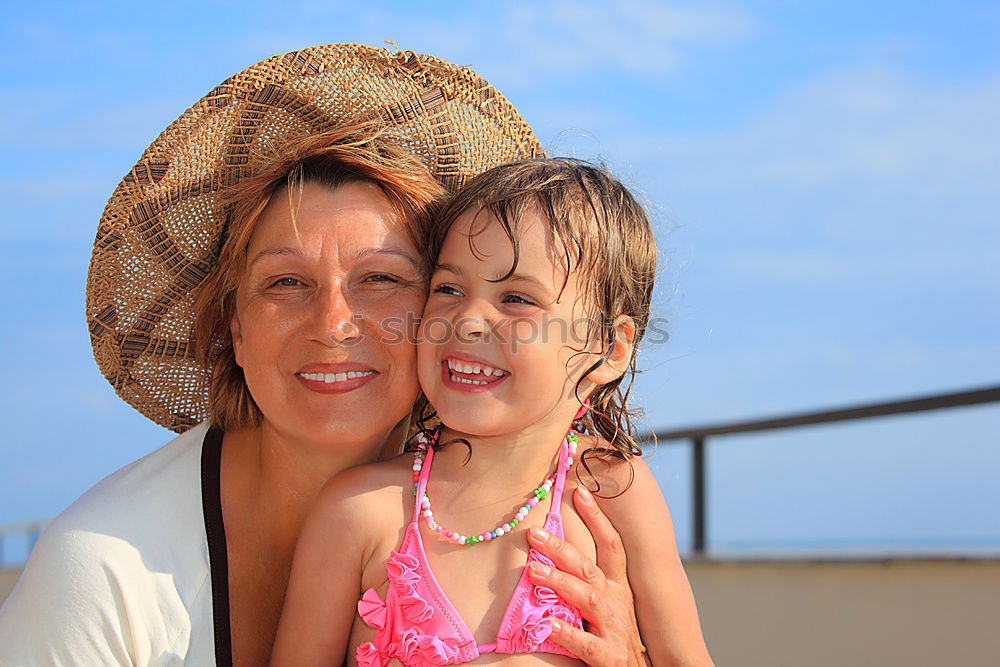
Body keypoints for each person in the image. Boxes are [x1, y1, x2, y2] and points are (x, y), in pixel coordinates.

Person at [0, 46, 652, 666]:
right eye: (286, 283)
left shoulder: (565, 506)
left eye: (381, 279)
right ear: (233, 324)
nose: (334, 324)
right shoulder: (101, 570)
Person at [271, 159, 714, 665]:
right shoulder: (360, 511)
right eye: (449, 289)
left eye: (517, 298)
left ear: (609, 349)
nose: (469, 320)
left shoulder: (612, 490)